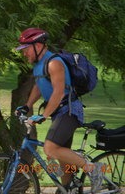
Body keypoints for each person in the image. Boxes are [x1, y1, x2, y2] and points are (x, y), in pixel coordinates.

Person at [14, 27, 104, 193]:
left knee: (50, 148)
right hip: (59, 113)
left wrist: (43, 115)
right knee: (64, 162)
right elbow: (38, 86)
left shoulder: (54, 62)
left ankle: (94, 169)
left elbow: (58, 92)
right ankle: (70, 189)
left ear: (38, 46)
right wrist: (27, 105)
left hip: (69, 111)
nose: (24, 53)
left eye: (26, 48)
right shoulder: (39, 65)